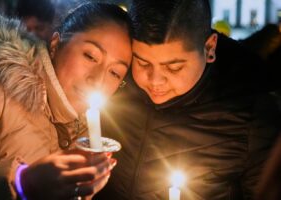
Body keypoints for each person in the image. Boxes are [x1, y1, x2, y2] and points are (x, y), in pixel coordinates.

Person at [0, 2, 132, 200]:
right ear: (55, 44)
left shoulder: (82, 133)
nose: (97, 80)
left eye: (115, 73)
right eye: (90, 56)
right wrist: (21, 185)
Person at [95, 0, 281, 199]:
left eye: (174, 67)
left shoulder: (250, 114)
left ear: (209, 47)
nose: (154, 81)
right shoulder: (116, 81)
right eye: (142, 62)